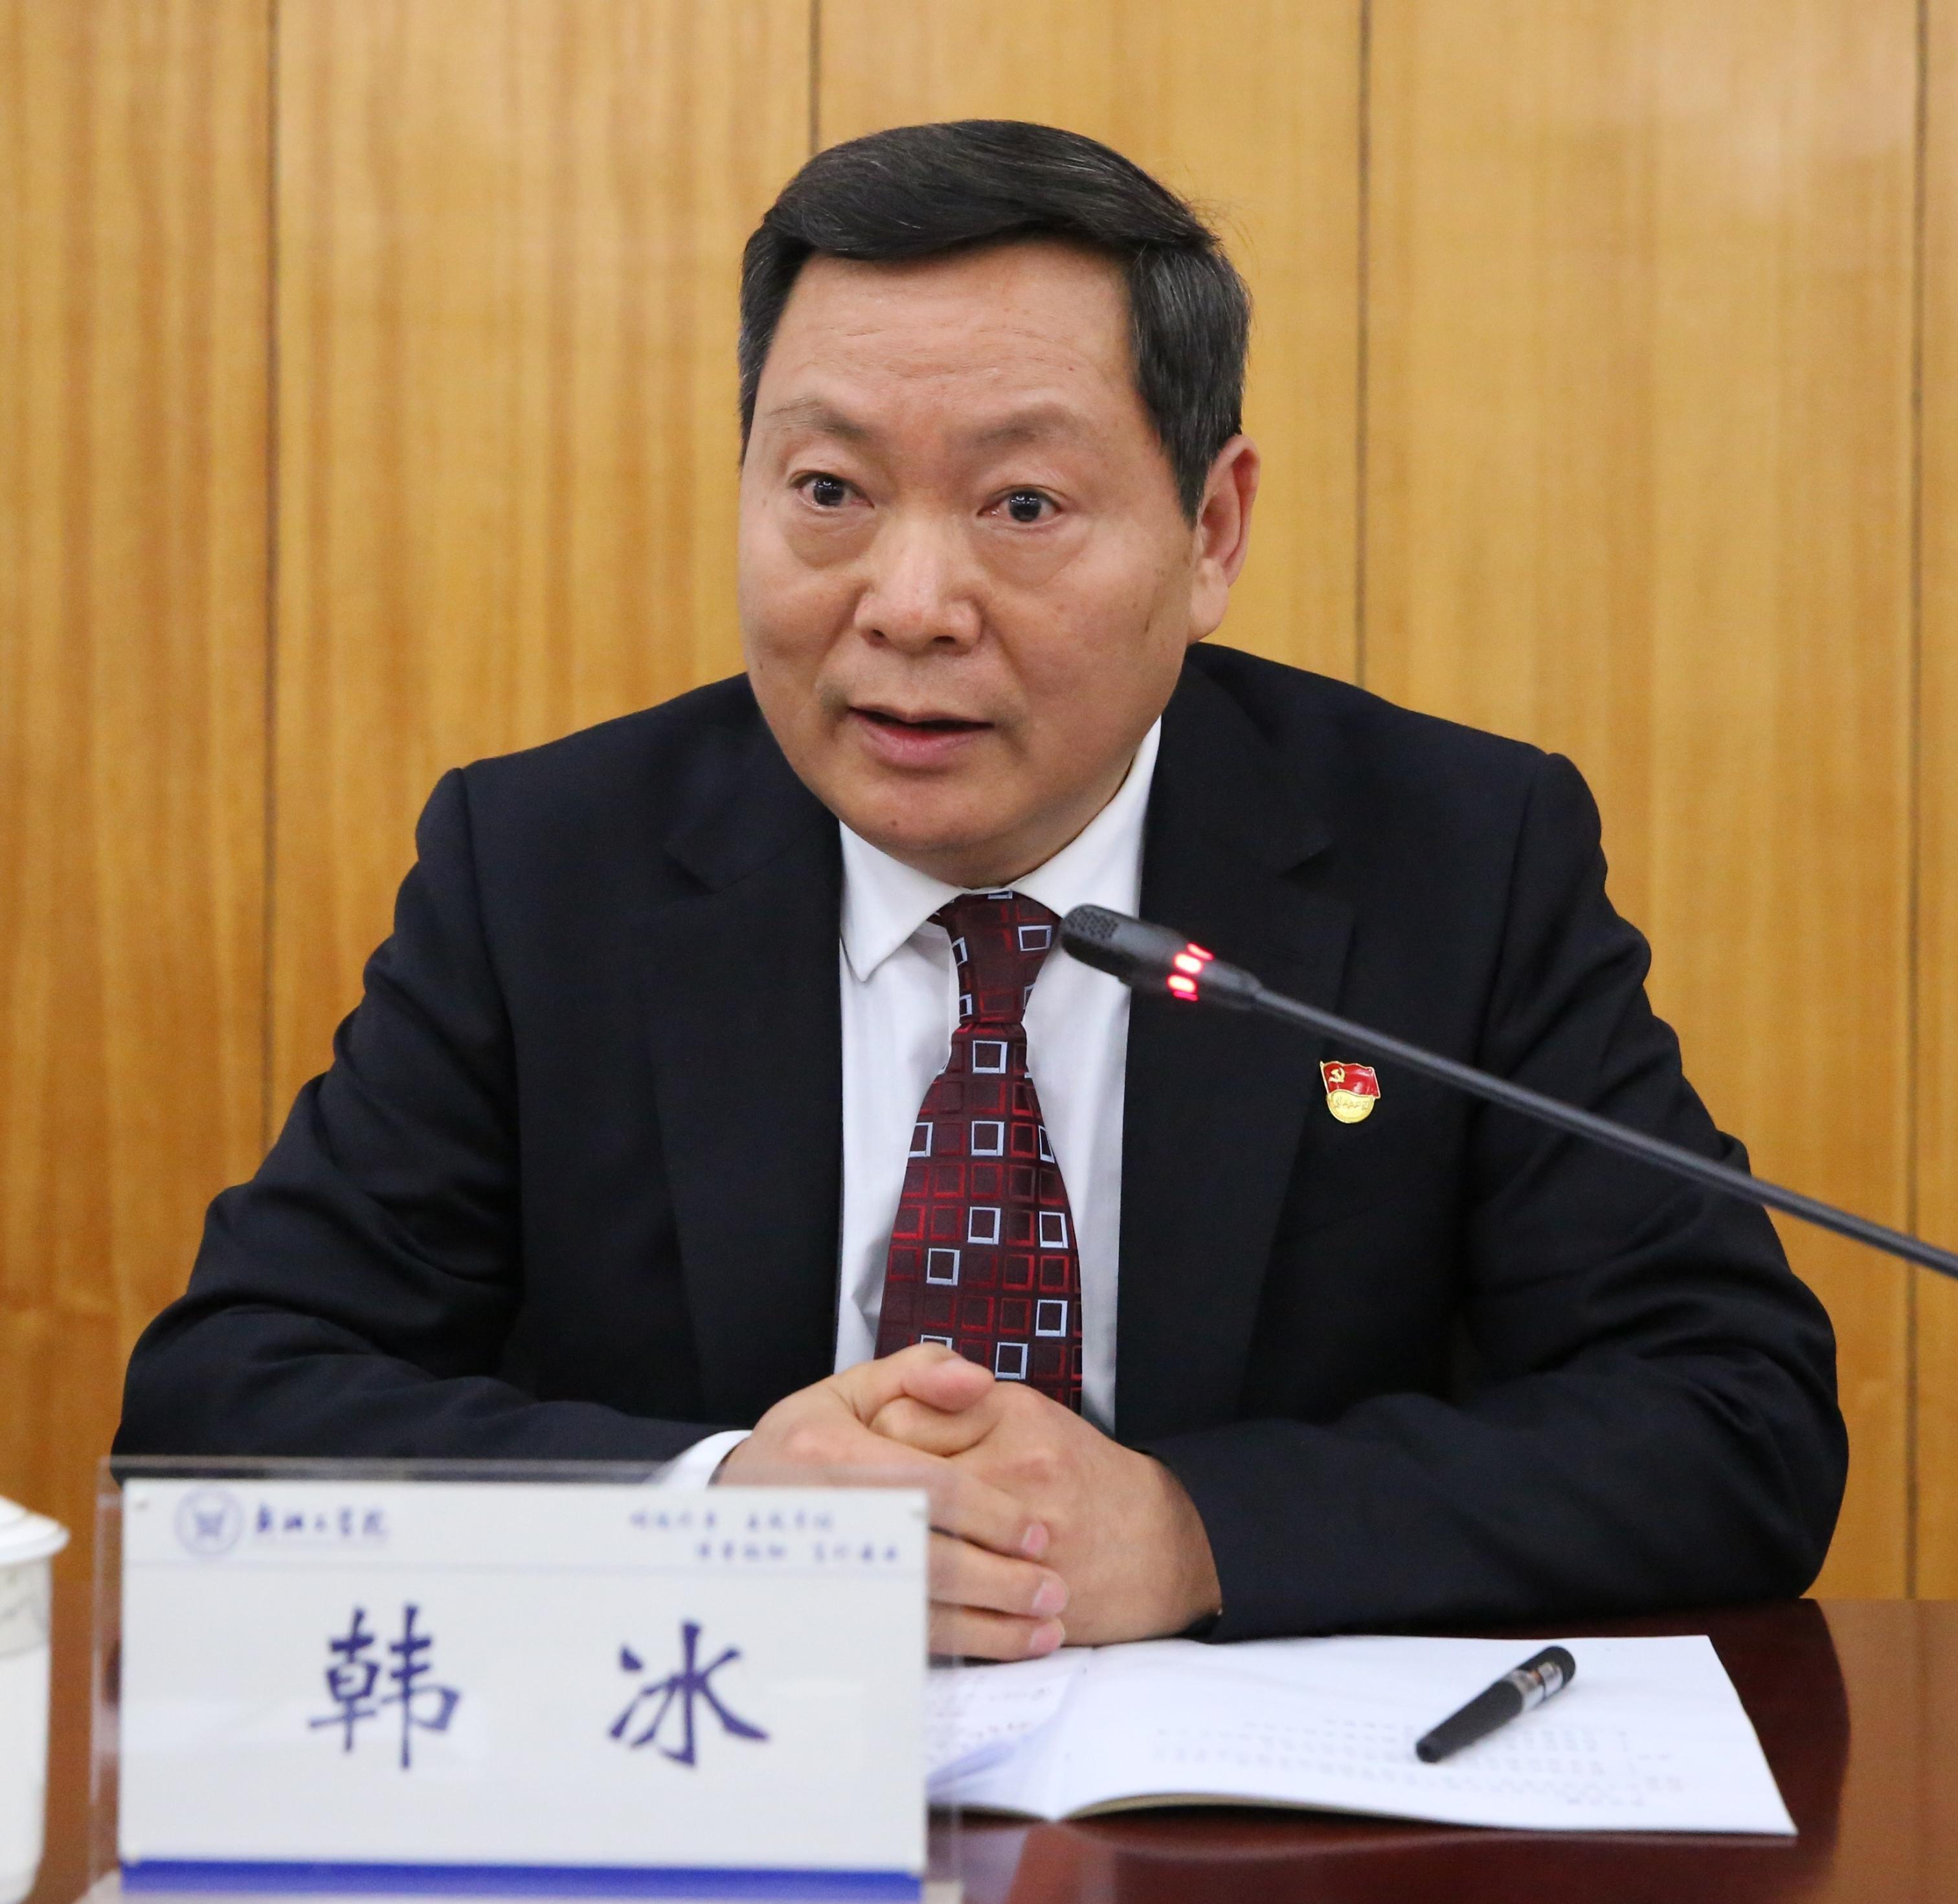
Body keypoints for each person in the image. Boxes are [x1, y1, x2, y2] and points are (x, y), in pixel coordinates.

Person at [116, 120, 1845, 1657]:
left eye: (1023, 504)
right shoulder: (548, 866)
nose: (910, 604)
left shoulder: (1449, 856)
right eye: (828, 491)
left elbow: (1732, 1415)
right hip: (712, 1784)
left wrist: (1189, 1531)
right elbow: (221, 1405)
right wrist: (717, 1501)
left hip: (1259, 1837)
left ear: (1213, 532)